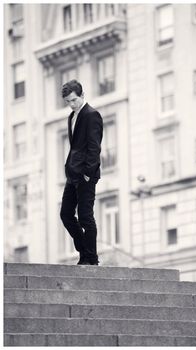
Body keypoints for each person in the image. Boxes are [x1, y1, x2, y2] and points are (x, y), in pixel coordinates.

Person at [60, 80, 103, 265]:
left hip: (86, 174)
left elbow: (94, 147)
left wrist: (87, 172)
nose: (72, 104)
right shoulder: (71, 117)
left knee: (85, 216)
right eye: (68, 101)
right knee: (66, 214)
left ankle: (91, 259)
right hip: (72, 174)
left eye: (74, 100)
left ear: (82, 95)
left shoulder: (92, 115)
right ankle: (84, 251)